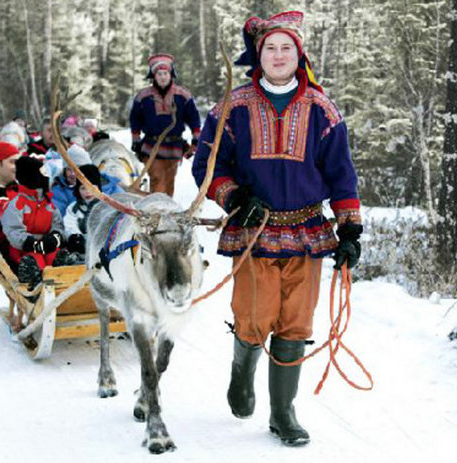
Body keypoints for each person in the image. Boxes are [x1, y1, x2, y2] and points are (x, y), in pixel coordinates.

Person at [192, 11, 363, 447]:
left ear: (298, 53)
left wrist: (349, 231)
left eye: (287, 48)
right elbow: (208, 165)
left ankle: (283, 413)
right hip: (254, 230)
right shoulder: (232, 107)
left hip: (307, 231)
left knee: (296, 323)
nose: (280, 55)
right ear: (259, 54)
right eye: (271, 48)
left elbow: (342, 175)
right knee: (253, 316)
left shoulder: (323, 111)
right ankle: (242, 374)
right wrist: (232, 197)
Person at [129, 53, 201, 196]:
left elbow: (193, 118)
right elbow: (135, 119)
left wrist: (196, 139)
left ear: (171, 74)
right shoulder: (143, 96)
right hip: (152, 146)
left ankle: (166, 210)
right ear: (153, 76)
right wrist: (135, 140)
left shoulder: (183, 95)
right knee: (156, 179)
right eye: (159, 73)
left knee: (169, 181)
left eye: (166, 73)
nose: (163, 77)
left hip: (174, 146)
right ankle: (156, 210)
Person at [1, 155, 66, 287]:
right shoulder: (16, 204)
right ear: (31, 177)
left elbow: (58, 224)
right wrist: (33, 244)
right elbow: (14, 231)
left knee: (54, 257)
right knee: (36, 261)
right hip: (24, 249)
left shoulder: (48, 202)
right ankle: (36, 285)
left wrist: (55, 237)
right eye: (42, 173)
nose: (45, 177)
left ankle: (64, 279)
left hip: (47, 245)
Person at [63, 164, 102, 263]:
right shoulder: (74, 208)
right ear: (78, 190)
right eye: (83, 188)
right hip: (81, 247)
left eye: (91, 188)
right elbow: (69, 224)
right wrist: (75, 236)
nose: (88, 192)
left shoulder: (105, 206)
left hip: (100, 245)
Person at [51, 144, 92, 216]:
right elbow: (61, 216)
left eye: (77, 169)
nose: (73, 174)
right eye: (69, 169)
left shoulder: (104, 186)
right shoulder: (58, 192)